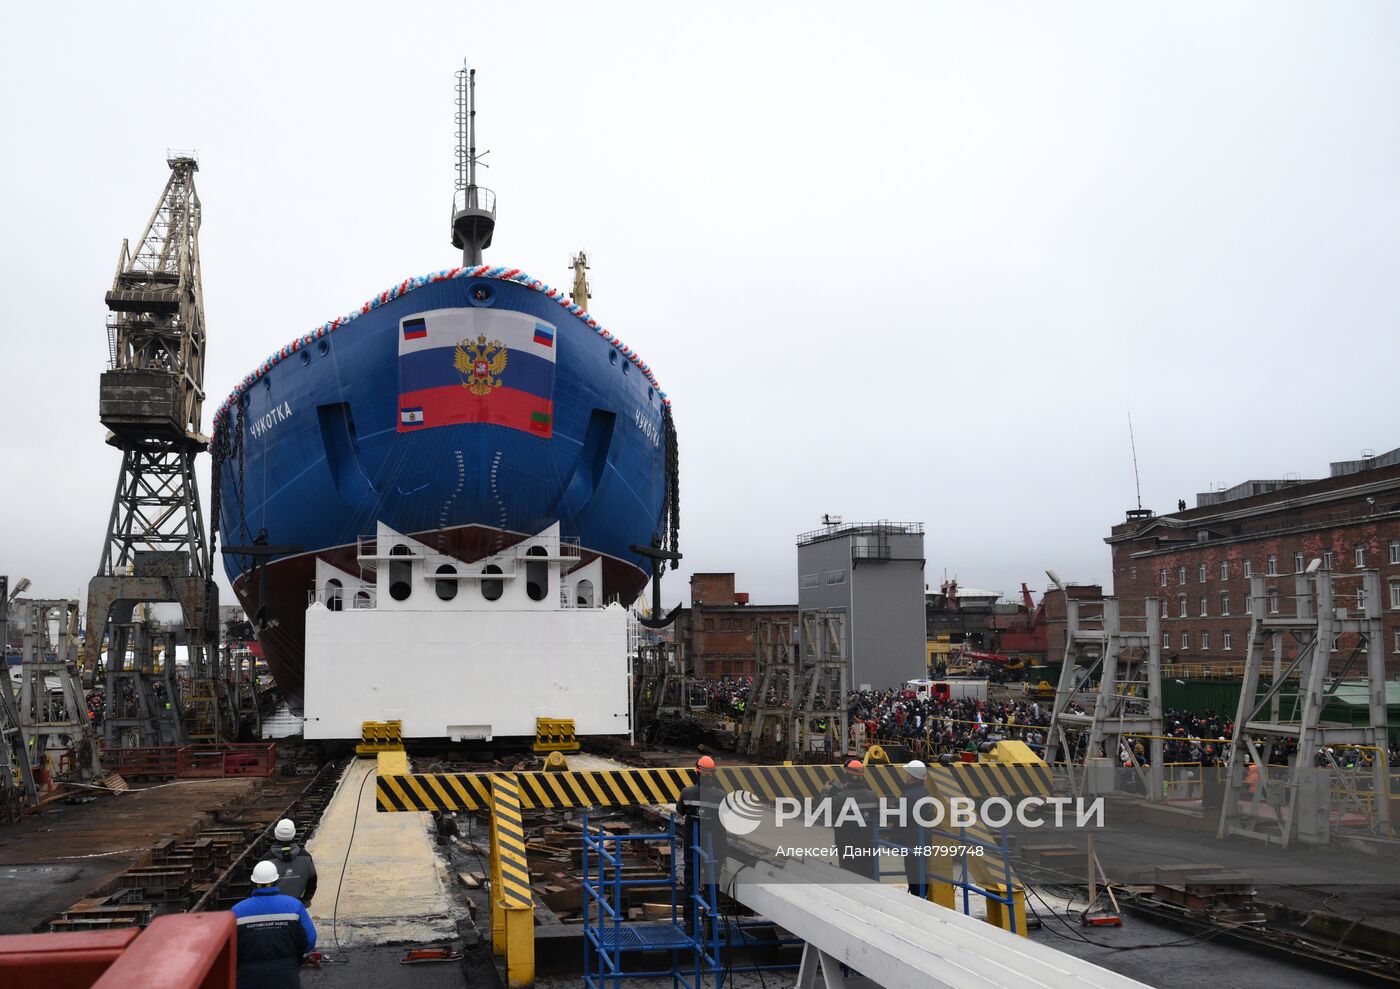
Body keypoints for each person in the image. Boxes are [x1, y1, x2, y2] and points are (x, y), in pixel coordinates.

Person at [232, 859, 316, 989]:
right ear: (276, 881)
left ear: (253, 882)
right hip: (286, 974)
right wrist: (300, 958)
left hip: (248, 977)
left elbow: (228, 947)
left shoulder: (237, 911)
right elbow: (310, 938)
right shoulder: (294, 906)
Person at [675, 755, 727, 930]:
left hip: (693, 843)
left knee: (691, 879)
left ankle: (690, 922)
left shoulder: (686, 793)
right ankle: (710, 923)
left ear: (697, 771)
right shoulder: (721, 796)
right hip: (714, 845)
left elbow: (680, 811)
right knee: (712, 882)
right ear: (713, 773)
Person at [833, 759, 879, 880]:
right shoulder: (872, 796)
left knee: (851, 882)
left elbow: (823, 807)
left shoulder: (841, 798)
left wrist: (827, 791)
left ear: (847, 777)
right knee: (870, 880)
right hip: (868, 847)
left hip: (848, 849)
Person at [256, 819, 318, 906]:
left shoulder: (266, 859)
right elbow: (312, 882)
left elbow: (256, 887)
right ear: (294, 834)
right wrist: (305, 900)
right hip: (296, 906)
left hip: (272, 907)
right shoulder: (306, 857)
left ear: (276, 833)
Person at [895, 760, 929, 897]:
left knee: (913, 873)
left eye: (908, 773)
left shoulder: (909, 797)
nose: (906, 775)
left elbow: (901, 817)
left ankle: (918, 900)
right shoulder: (924, 792)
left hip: (911, 840)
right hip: (924, 838)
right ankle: (923, 897)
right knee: (921, 871)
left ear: (912, 776)